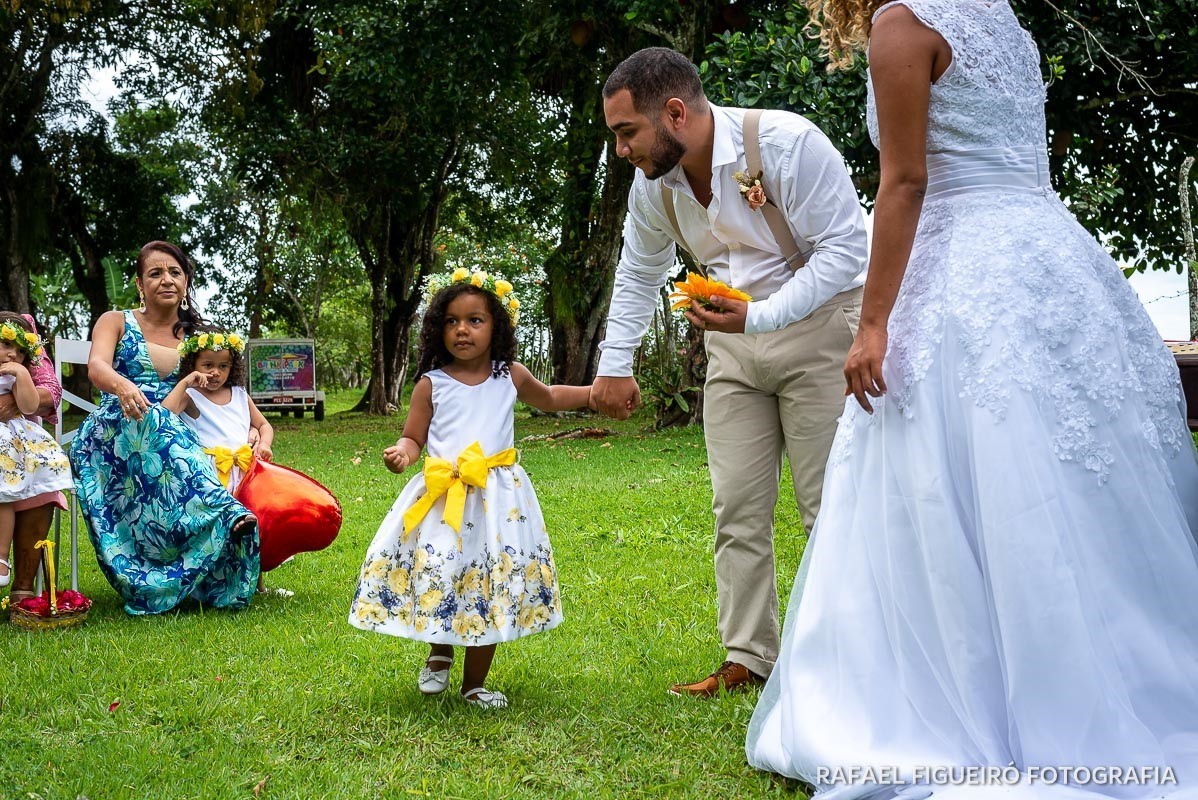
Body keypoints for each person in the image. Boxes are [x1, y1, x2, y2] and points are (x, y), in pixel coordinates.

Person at [746, 1, 1198, 796]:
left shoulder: (901, 24)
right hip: (1049, 256)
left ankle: (964, 700)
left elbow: (906, 180)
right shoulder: (1001, 17)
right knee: (1060, 470)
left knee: (957, 461)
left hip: (962, 264)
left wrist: (873, 323)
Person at [592, 47, 868, 696]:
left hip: (822, 332)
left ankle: (851, 663)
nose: (621, 150)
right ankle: (750, 658)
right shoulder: (653, 186)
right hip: (733, 349)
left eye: (627, 132)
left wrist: (761, 316)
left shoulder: (789, 144)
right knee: (737, 509)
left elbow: (848, 250)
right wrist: (615, 364)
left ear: (675, 113)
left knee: (830, 507)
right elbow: (638, 270)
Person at [349, 268, 591, 709]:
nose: (462, 329)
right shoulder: (431, 384)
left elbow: (552, 397)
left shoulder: (510, 375)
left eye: (475, 320)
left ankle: (474, 685)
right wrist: (402, 453)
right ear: (437, 328)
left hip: (499, 502)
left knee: (491, 584)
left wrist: (596, 394)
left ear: (497, 326)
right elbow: (413, 437)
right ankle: (439, 652)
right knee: (442, 574)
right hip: (444, 500)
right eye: (452, 321)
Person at [70, 240, 260, 616]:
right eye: (155, 273)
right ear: (139, 284)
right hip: (116, 431)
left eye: (175, 272)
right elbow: (96, 367)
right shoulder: (115, 321)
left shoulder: (199, 335)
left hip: (175, 434)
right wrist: (124, 386)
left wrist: (251, 427)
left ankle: (216, 561)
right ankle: (226, 512)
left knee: (179, 436)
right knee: (156, 420)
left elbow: (225, 388)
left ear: (186, 281)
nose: (167, 279)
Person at [161, 325, 286, 596]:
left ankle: (257, 585)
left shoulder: (239, 394)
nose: (215, 372)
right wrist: (184, 383)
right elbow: (164, 416)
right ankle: (213, 586)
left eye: (223, 366)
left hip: (245, 472)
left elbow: (264, 425)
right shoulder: (190, 396)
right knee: (220, 531)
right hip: (212, 475)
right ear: (192, 364)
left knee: (254, 524)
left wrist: (264, 444)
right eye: (207, 365)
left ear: (233, 367)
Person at [0, 313, 73, 590]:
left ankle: (17, 581)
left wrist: (21, 376)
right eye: (7, 345)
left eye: (20, 351)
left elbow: (42, 396)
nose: (13, 354)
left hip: (13, 441)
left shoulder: (16, 364)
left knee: (36, 472)